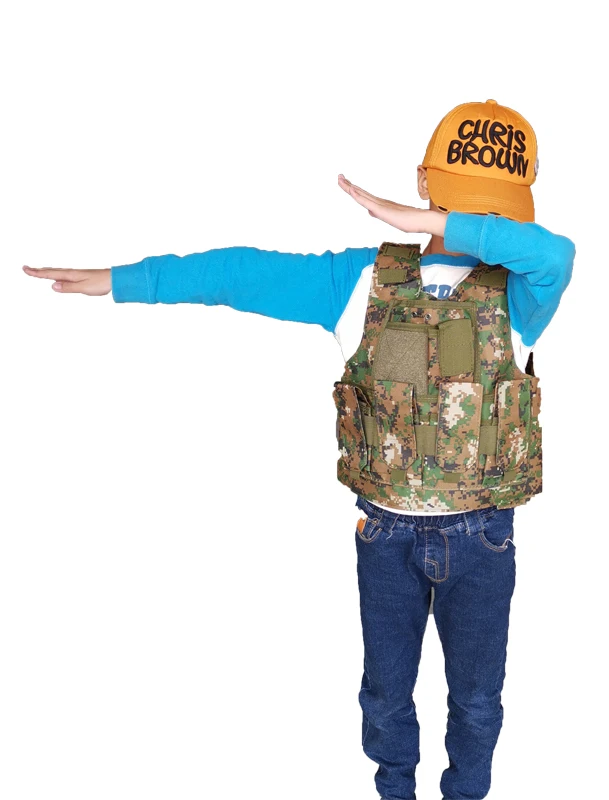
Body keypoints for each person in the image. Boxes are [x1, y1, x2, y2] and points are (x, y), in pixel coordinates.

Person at [23, 99, 575, 800]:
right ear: (423, 180)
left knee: (476, 701)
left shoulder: (522, 297)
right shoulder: (360, 282)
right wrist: (129, 282)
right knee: (385, 698)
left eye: (491, 213)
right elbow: (238, 274)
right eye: (467, 204)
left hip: (483, 539)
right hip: (387, 537)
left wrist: (429, 222)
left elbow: (557, 253)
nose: (477, 225)